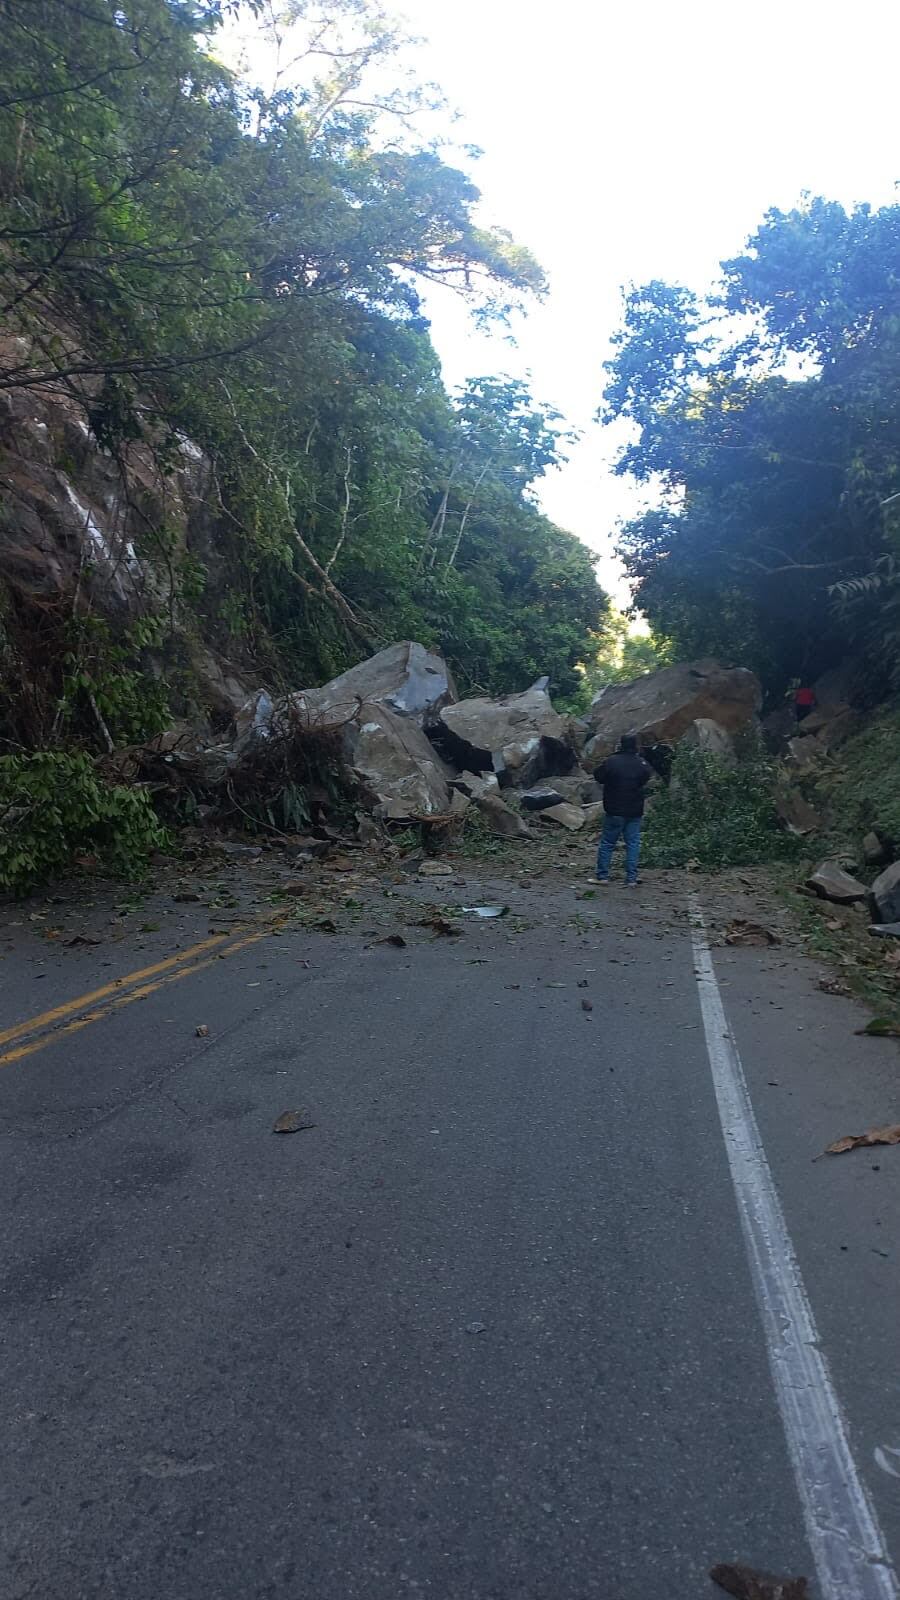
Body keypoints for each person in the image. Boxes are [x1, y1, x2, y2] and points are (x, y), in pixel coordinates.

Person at [592, 733, 653, 886]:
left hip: (614, 809)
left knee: (607, 843)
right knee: (633, 843)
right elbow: (646, 777)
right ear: (635, 745)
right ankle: (631, 878)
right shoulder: (641, 763)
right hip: (635, 810)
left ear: (621, 744)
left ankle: (602, 876)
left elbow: (598, 776)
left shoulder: (612, 761)